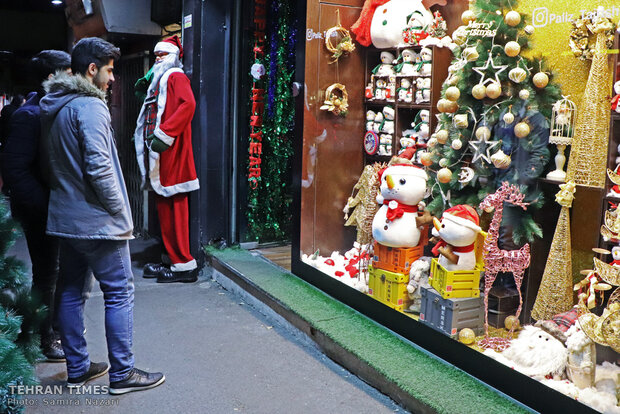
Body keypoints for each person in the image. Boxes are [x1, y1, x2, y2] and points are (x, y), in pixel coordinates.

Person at [40, 37, 164, 394]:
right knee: (120, 291)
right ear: (92, 69)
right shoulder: (90, 107)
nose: (113, 79)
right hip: (97, 221)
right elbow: (99, 168)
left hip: (66, 218)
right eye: (109, 71)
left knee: (70, 289)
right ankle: (122, 374)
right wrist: (120, 212)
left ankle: (77, 368)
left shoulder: (55, 105)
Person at [2, 50, 72, 362]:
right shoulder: (29, 115)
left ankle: (41, 331)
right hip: (39, 210)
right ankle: (47, 338)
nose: (73, 78)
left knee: (51, 272)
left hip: (47, 208)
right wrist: (45, 205)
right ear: (50, 78)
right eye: (67, 72)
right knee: (47, 274)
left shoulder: (42, 111)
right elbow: (15, 170)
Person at [133, 35, 199, 283]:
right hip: (160, 151)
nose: (158, 58)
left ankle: (184, 265)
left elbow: (188, 104)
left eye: (163, 54)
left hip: (172, 151)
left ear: (173, 55)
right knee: (164, 206)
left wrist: (166, 133)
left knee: (175, 207)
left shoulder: (176, 76)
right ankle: (171, 258)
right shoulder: (159, 80)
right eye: (156, 54)